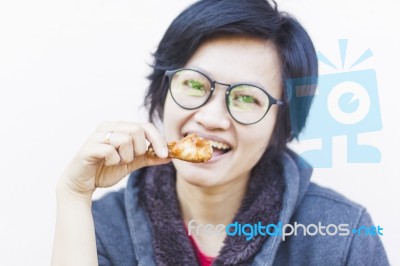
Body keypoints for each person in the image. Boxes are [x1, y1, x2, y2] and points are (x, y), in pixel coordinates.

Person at [51, 0, 389, 265]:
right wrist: (73, 195)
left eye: (245, 98)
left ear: (281, 124)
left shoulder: (342, 234)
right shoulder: (104, 225)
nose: (212, 118)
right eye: (195, 84)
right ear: (163, 92)